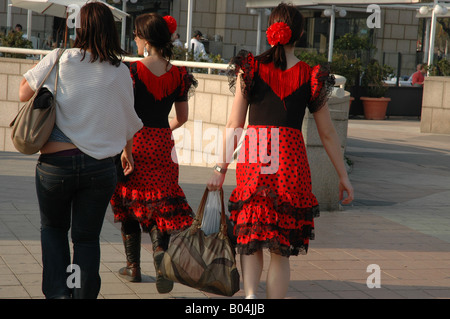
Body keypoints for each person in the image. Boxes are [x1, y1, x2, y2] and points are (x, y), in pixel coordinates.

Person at [207, 3, 354, 299]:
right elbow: (327, 133)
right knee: (280, 247)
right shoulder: (310, 76)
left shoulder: (250, 69)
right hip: (289, 159)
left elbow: (234, 124)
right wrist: (343, 176)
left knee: (252, 232)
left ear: (270, 31)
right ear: (299, 34)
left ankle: (250, 297)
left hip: (255, 155)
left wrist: (220, 168)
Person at [18, 2, 143, 299]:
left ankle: (61, 293)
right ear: (111, 31)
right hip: (100, 169)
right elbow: (129, 121)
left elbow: (23, 91)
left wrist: (53, 71)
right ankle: (81, 294)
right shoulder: (120, 71)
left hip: (55, 165)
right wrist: (127, 151)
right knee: (86, 239)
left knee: (54, 230)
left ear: (78, 27)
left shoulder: (60, 58)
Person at [110, 13, 197, 294]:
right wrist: (163, 130)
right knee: (160, 204)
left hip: (135, 140)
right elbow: (182, 117)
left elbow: (124, 115)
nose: (134, 40)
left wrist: (127, 149)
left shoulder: (131, 71)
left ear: (146, 39)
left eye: (136, 35)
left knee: (129, 203)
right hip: (163, 144)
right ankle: (160, 255)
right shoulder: (179, 74)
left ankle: (133, 266)